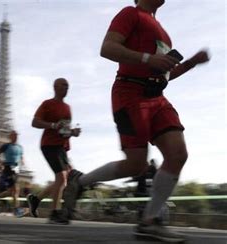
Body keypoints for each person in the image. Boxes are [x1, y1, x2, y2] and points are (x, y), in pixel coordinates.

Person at [62, 0, 210, 242]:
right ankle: (81, 181)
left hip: (158, 97)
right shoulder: (131, 13)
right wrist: (146, 58)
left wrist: (191, 62)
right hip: (130, 93)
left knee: (177, 154)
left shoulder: (163, 32)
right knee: (136, 165)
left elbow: (164, 74)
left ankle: (149, 222)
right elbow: (107, 48)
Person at [26, 78, 81, 224]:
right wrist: (52, 125)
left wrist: (73, 132)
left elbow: (65, 130)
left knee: (62, 178)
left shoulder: (68, 108)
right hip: (49, 144)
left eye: (68, 86)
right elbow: (34, 122)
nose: (66, 88)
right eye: (63, 85)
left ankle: (36, 199)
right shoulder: (47, 104)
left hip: (61, 146)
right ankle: (54, 213)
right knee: (62, 177)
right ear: (55, 87)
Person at [0, 131, 25, 218]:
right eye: (14, 135)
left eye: (16, 135)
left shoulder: (20, 147)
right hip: (8, 168)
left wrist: (22, 162)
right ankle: (17, 210)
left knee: (13, 191)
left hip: (16, 170)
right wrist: (0, 164)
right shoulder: (5, 146)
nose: (16, 137)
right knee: (16, 190)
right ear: (10, 137)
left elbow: (21, 157)